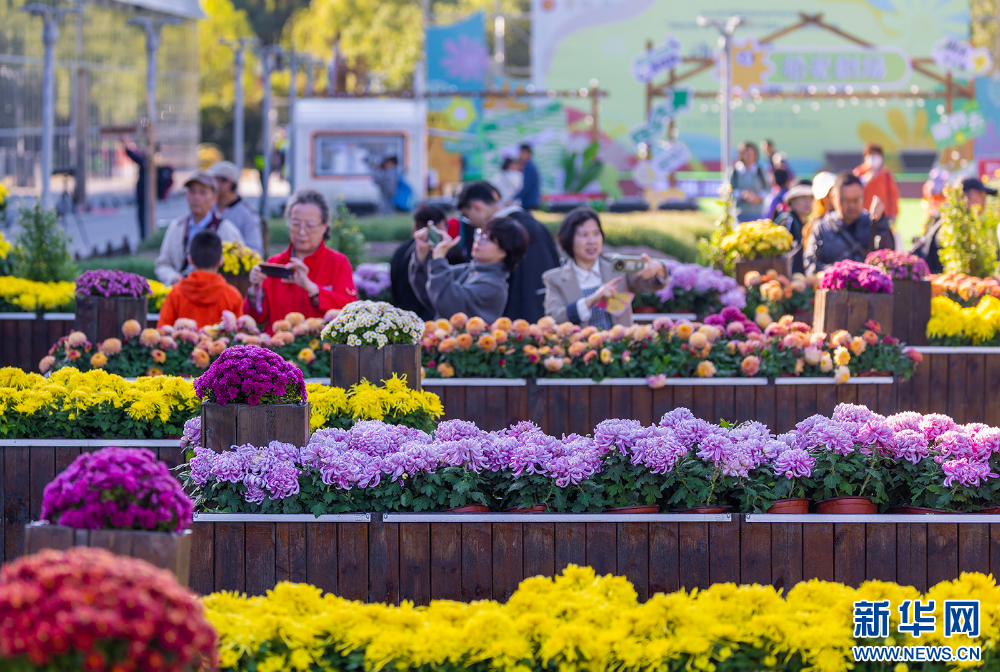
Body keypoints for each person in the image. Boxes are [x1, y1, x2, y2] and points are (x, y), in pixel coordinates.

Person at [245, 188, 357, 332]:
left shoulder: (338, 263)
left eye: (309, 226)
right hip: (278, 348)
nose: (302, 232)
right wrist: (255, 290)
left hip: (322, 349)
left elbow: (349, 311)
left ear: (324, 226)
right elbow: (256, 319)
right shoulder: (275, 263)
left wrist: (312, 288)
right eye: (296, 224)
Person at [542, 207, 668, 328]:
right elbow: (554, 318)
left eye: (596, 233)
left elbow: (650, 283)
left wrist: (658, 269)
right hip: (581, 349)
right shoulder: (554, 279)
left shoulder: (617, 264)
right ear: (569, 240)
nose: (592, 241)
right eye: (584, 235)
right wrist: (592, 299)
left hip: (619, 348)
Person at [456, 180, 560, 323]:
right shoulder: (535, 224)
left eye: (468, 217)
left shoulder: (504, 234)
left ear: (477, 207)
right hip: (544, 315)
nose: (472, 224)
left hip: (514, 321)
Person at [409, 217, 529, 323]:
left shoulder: (494, 285)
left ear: (504, 252)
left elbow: (449, 305)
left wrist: (439, 259)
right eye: (480, 234)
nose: (478, 241)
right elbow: (430, 289)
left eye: (488, 239)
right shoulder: (470, 269)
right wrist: (422, 251)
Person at [154, 171, 244, 285]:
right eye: (192, 192)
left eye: (203, 192)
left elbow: (240, 270)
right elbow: (162, 264)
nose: (196, 197)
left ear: (214, 198)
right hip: (182, 292)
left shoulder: (226, 229)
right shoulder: (176, 227)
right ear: (186, 195)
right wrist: (174, 278)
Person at [804, 171, 895, 275]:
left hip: (869, 287)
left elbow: (888, 259)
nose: (851, 205)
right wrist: (839, 274)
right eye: (846, 201)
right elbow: (811, 265)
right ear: (833, 198)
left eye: (856, 200)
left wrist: (880, 222)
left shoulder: (872, 223)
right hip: (834, 288)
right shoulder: (823, 228)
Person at [156, 230, 245, 329]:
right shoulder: (233, 296)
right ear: (220, 261)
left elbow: (163, 333)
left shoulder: (175, 294)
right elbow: (240, 338)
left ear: (190, 260)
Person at [912, 177, 997, 274]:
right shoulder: (950, 223)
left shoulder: (970, 222)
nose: (984, 200)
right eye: (980, 194)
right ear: (963, 195)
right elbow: (944, 262)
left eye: (985, 196)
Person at [390, 204, 451, 320]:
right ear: (441, 225)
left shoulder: (401, 251)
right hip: (430, 321)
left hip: (403, 317)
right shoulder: (439, 254)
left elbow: (394, 288)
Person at [208, 160, 266, 255]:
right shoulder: (209, 208)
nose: (210, 185)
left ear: (229, 183)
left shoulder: (247, 215)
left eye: (214, 180)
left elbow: (256, 251)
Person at [854, 143, 900, 225]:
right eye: (871, 155)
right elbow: (853, 193)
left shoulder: (886, 174)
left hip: (882, 215)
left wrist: (893, 214)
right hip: (862, 215)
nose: (873, 159)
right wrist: (865, 180)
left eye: (876, 156)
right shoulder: (859, 172)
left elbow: (893, 195)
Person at [775, 180, 814, 275]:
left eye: (811, 198)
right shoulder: (787, 222)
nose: (807, 202)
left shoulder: (809, 224)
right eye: (803, 198)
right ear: (792, 201)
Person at [729, 141, 769, 222]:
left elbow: (767, 189)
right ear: (741, 154)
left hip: (757, 213)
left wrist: (758, 197)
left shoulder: (760, 171)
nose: (749, 156)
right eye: (746, 153)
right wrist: (742, 194)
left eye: (751, 154)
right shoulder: (734, 171)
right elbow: (729, 191)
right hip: (740, 214)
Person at [123, 138, 149, 239]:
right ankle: (144, 237)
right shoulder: (146, 159)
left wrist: (126, 146)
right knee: (142, 216)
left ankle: (144, 238)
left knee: (143, 216)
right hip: (143, 193)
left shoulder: (147, 160)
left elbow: (133, 156)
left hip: (144, 193)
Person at [514, 144, 541, 210]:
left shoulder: (529, 167)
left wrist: (515, 197)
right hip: (530, 201)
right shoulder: (528, 165)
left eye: (521, 153)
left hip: (530, 202)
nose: (520, 155)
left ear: (527, 153)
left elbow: (527, 187)